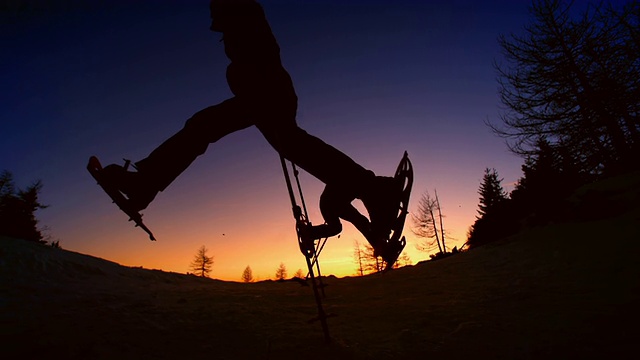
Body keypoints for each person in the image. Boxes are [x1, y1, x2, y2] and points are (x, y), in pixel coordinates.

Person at [101, 0, 402, 262]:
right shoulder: (240, 24)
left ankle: (374, 189)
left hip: (266, 90)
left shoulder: (244, 15)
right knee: (291, 143)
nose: (216, 28)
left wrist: (245, 75)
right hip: (266, 91)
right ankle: (374, 189)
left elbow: (259, 52)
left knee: (211, 127)